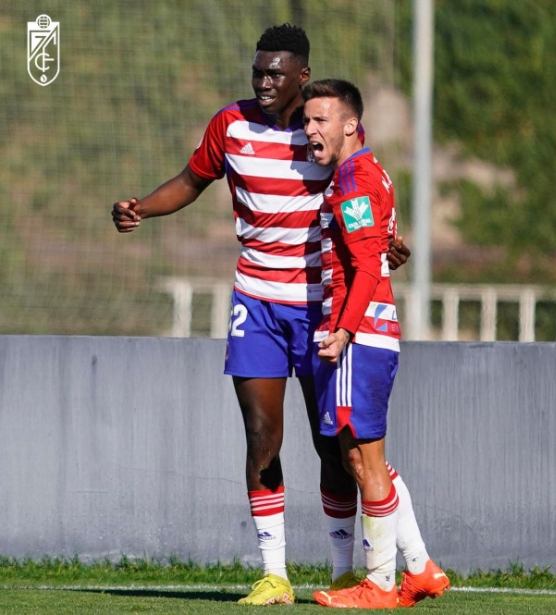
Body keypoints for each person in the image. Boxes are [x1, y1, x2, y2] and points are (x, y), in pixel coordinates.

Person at [112, 24, 410, 606]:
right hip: (256, 301)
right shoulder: (231, 124)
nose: (264, 81)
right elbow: (192, 180)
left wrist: (389, 241)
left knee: (333, 446)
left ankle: (342, 569)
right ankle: (274, 573)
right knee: (261, 435)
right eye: (258, 71)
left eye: (276, 72)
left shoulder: (325, 129)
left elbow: (366, 191)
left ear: (303, 75)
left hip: (323, 304)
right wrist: (141, 208)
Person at [303, 79, 449, 609]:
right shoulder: (365, 172)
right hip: (368, 329)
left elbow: (366, 263)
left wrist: (342, 329)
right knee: (363, 459)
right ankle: (421, 567)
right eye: (307, 120)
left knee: (363, 459)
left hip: (358, 334)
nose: (310, 129)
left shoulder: (354, 179)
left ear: (350, 123)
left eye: (320, 119)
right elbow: (376, 250)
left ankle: (380, 584)